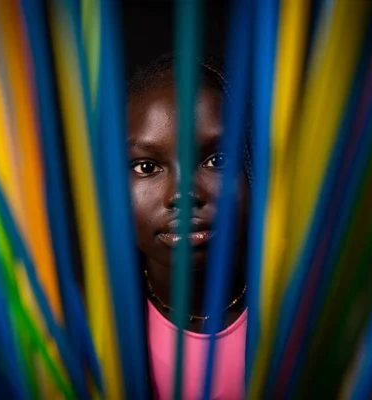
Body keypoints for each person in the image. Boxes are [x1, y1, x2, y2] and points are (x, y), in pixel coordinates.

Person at [127, 54, 251, 399]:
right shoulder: (86, 330)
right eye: (146, 167)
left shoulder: (309, 315)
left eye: (218, 160)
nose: (184, 195)